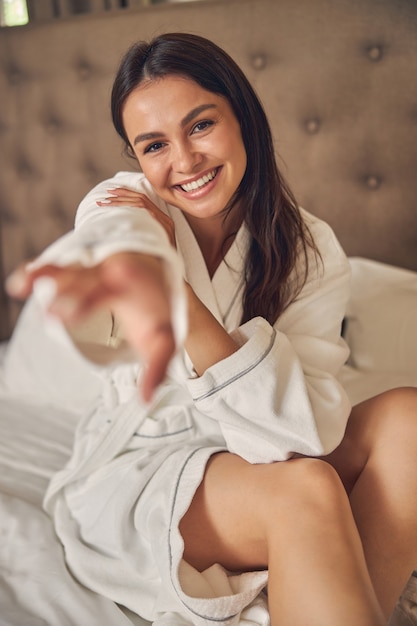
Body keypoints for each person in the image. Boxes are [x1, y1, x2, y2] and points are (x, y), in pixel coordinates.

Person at [6, 32, 417, 626]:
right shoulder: (125, 206)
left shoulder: (310, 250)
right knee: (308, 490)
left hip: (261, 453)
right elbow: (115, 235)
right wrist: (141, 272)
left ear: (243, 118)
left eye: (200, 126)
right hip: (143, 471)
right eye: (153, 145)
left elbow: (299, 438)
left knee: (408, 418)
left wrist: (183, 303)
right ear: (137, 159)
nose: (183, 161)